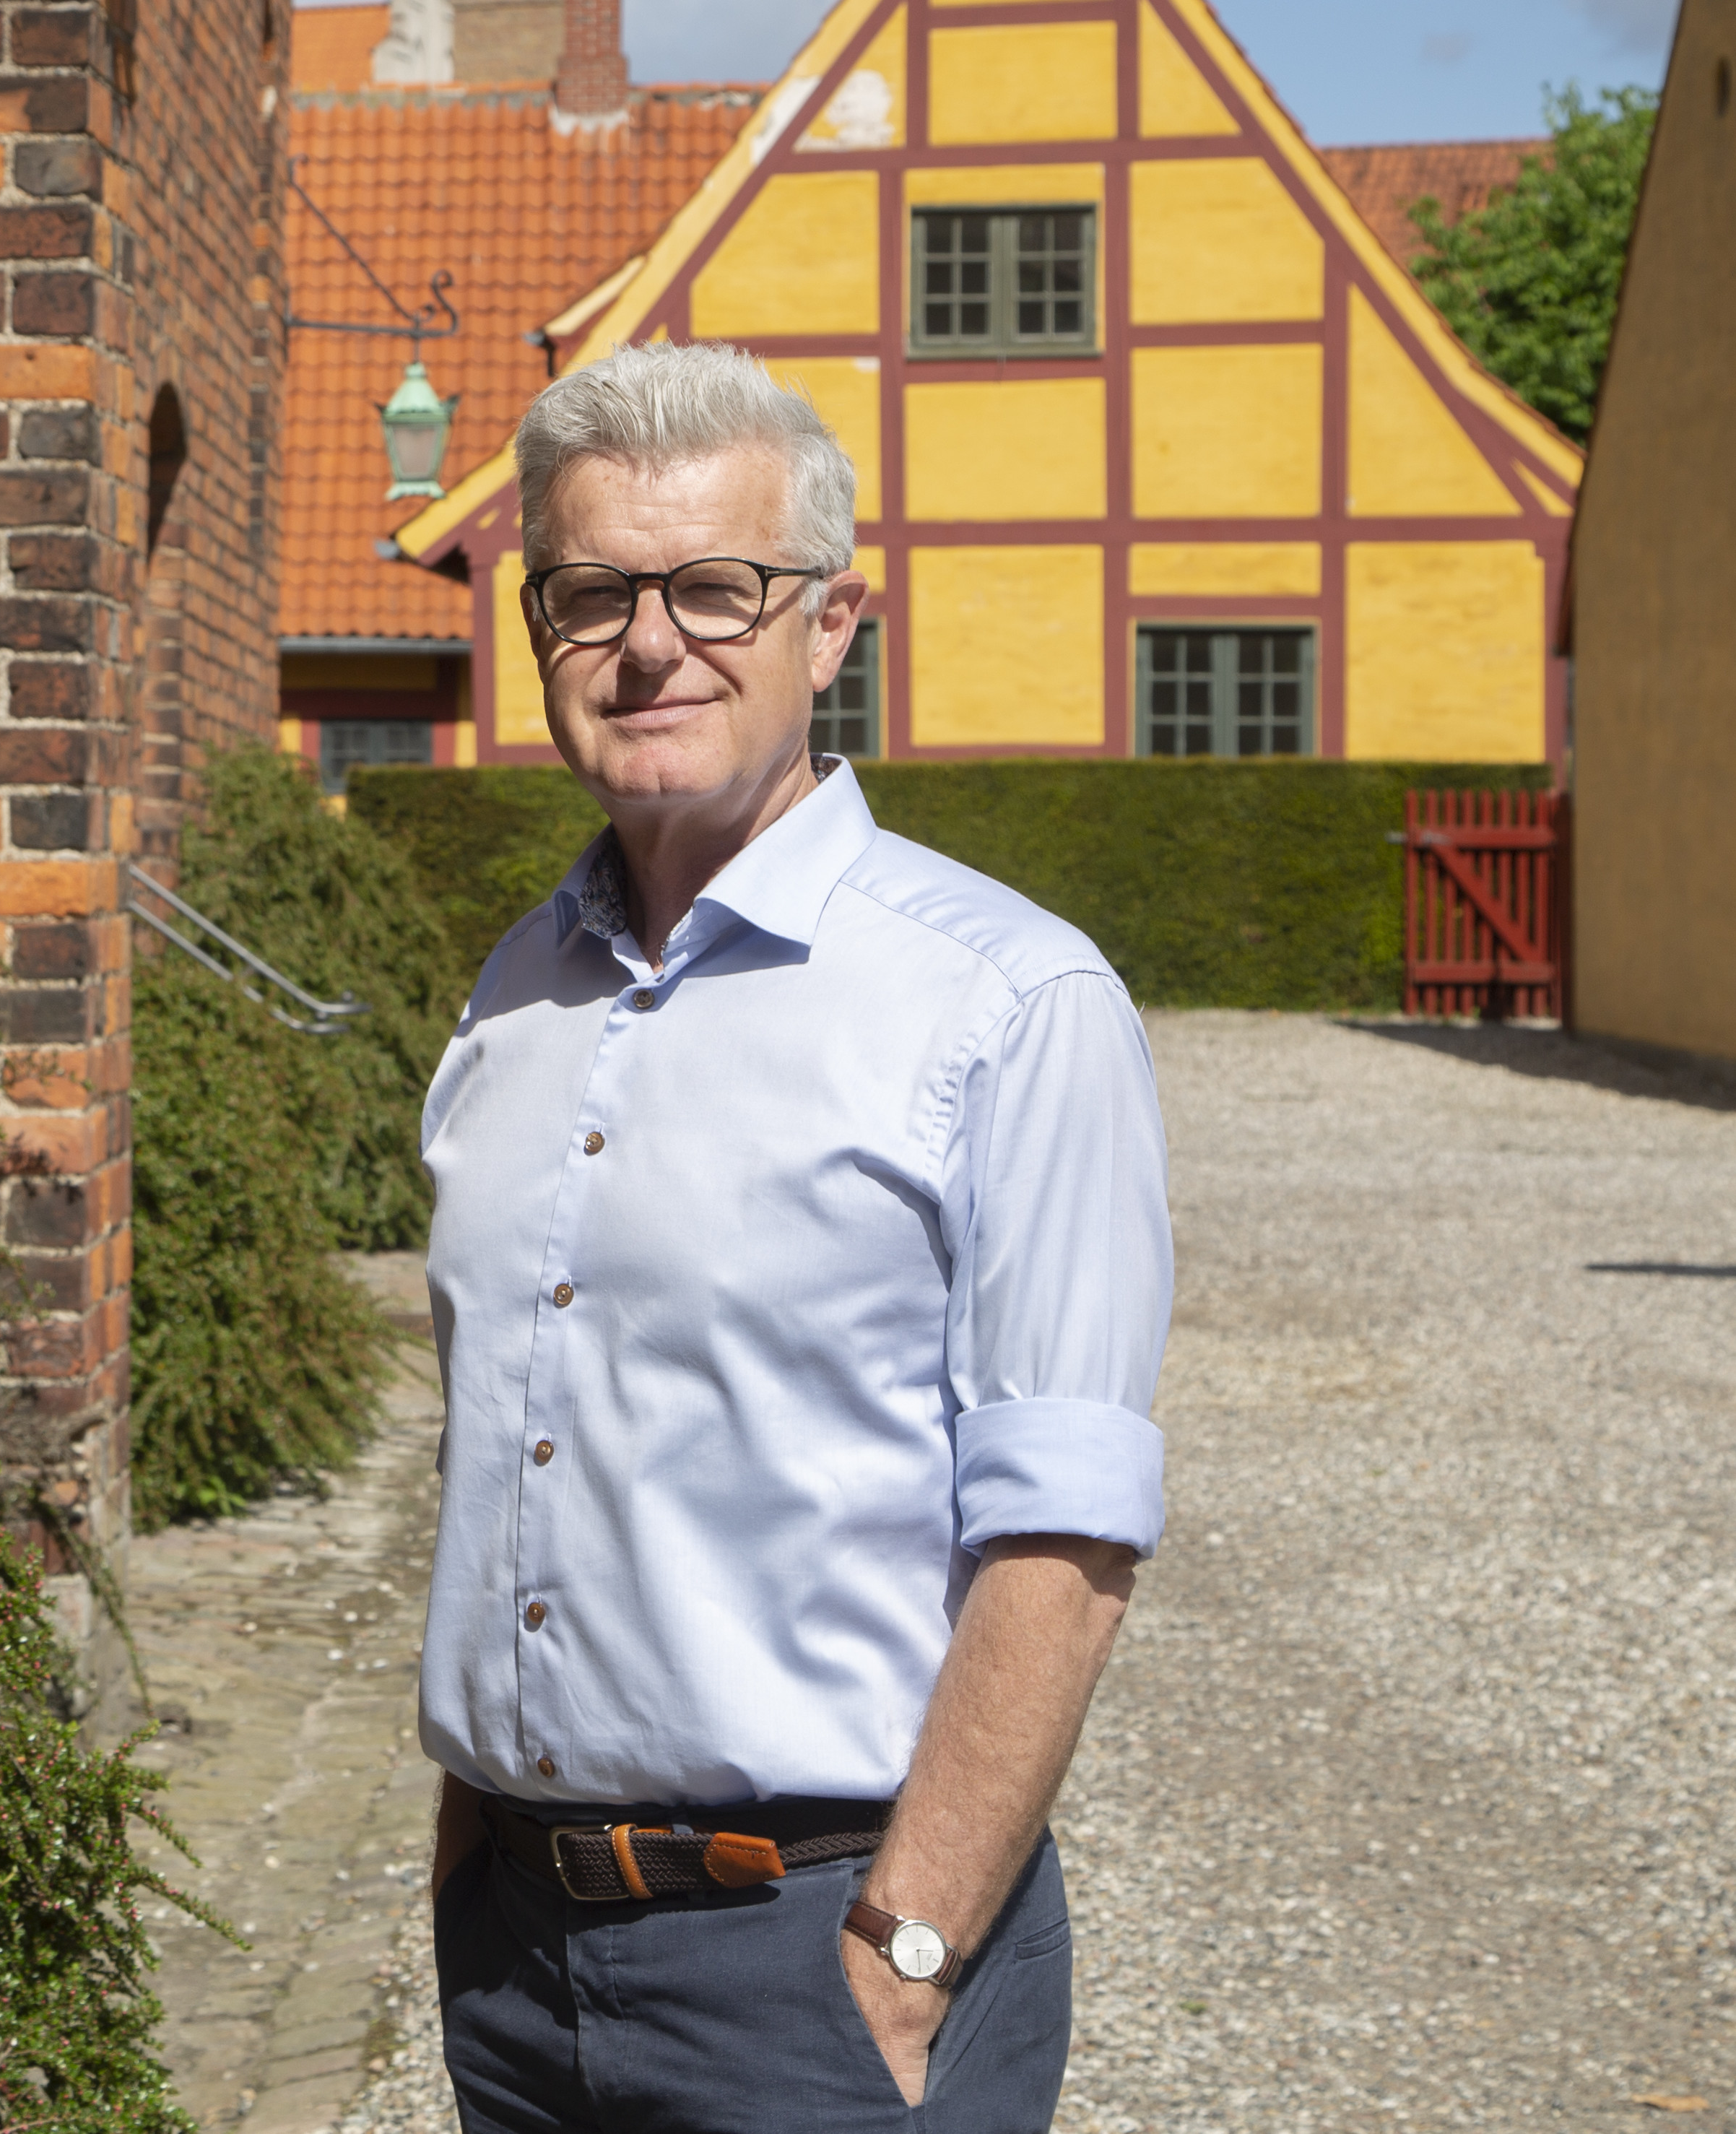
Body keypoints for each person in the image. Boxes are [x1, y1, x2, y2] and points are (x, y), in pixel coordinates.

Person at [416, 340, 1172, 2133]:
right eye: (593, 592)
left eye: (716, 588)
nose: (650, 643)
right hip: (517, 1956)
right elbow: (505, 1452)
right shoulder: (513, 999)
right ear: (539, 628)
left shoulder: (1006, 1001)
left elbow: (1064, 1535)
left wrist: (903, 1955)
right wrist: (468, 1855)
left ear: (830, 625)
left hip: (821, 1955)